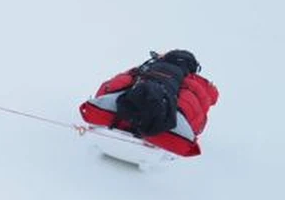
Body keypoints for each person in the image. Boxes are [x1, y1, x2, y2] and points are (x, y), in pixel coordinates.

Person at [79, 49, 219, 156]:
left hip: (120, 113)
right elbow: (213, 97)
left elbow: (111, 86)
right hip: (164, 130)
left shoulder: (144, 70)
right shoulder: (194, 82)